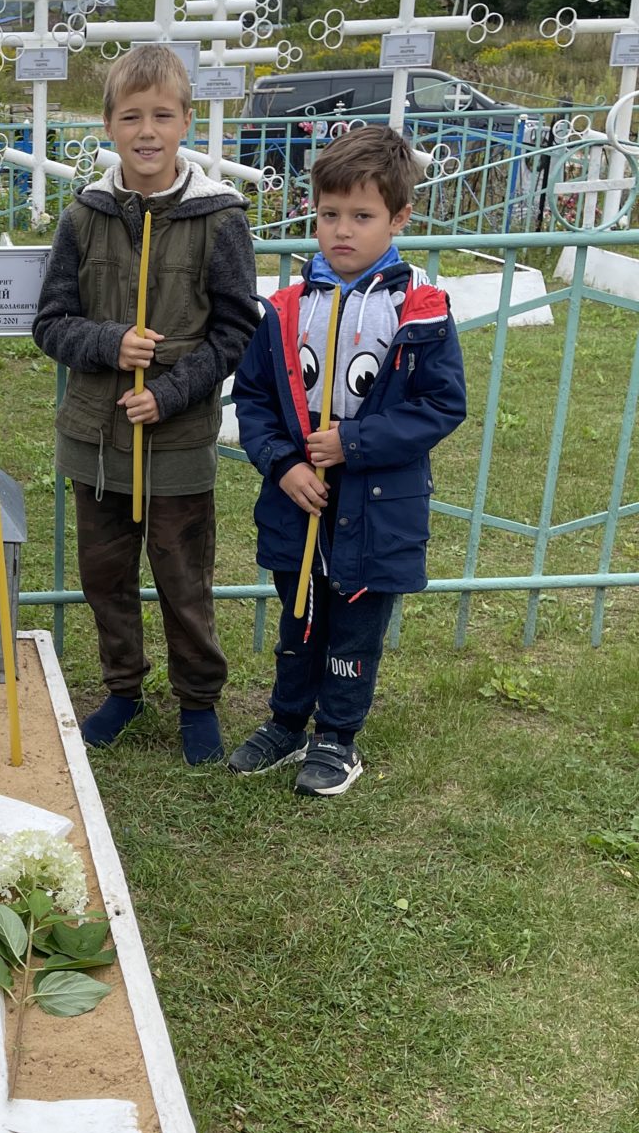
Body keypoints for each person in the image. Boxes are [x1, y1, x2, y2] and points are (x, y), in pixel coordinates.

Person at [32, 44, 259, 760]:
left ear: (187, 121)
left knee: (183, 578)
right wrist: (108, 344)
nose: (147, 130)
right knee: (106, 576)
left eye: (163, 114)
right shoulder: (83, 217)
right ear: (108, 126)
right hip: (96, 439)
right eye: (131, 116)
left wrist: (167, 392)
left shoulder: (220, 219)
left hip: (178, 440)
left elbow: (236, 333)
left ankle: (199, 702)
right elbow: (50, 323)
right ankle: (123, 689)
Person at [228, 123, 466, 796]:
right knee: (299, 618)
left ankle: (338, 737)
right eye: (330, 213)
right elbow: (254, 400)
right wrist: (285, 464)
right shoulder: (283, 310)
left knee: (354, 626)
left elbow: (441, 406)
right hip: (297, 501)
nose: (342, 230)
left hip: (377, 509)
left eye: (362, 216)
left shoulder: (420, 312)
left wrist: (352, 445)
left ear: (398, 218)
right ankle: (286, 722)